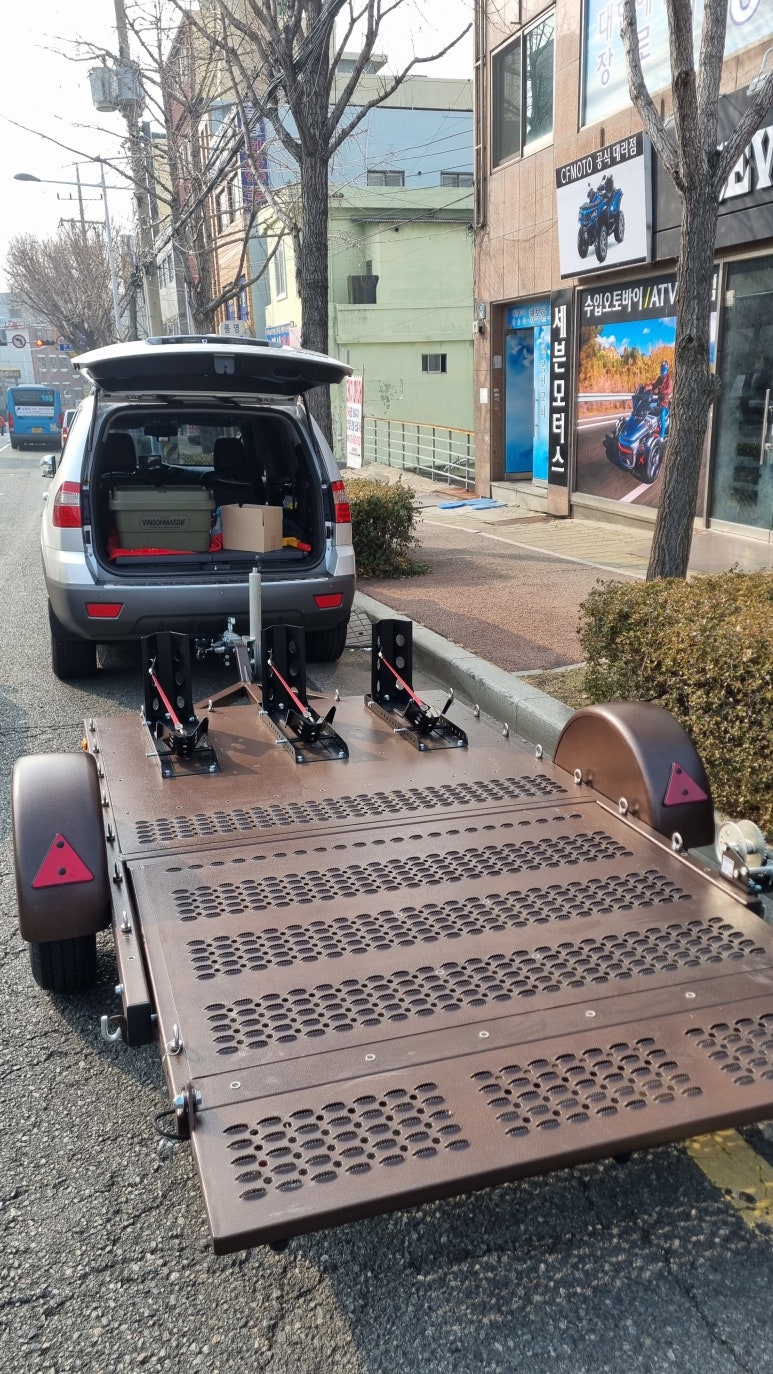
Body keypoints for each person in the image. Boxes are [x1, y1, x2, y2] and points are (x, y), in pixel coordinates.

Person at [651, 361, 673, 441]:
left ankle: (662, 436)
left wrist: (662, 392)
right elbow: (654, 386)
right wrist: (647, 388)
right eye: (662, 369)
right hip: (658, 403)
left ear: (667, 369)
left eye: (664, 369)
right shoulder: (659, 378)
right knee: (648, 408)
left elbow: (669, 390)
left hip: (665, 405)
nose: (662, 370)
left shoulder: (669, 379)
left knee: (662, 415)